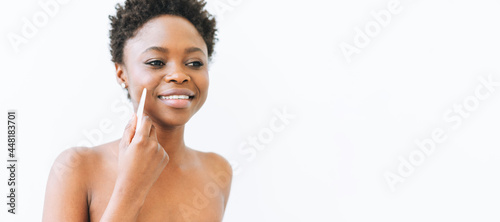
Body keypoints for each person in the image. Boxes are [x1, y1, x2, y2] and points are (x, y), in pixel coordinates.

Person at [42, 0, 233, 221]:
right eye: (156, 62)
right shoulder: (76, 168)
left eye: (194, 63)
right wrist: (131, 185)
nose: (179, 75)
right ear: (122, 74)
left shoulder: (218, 171)